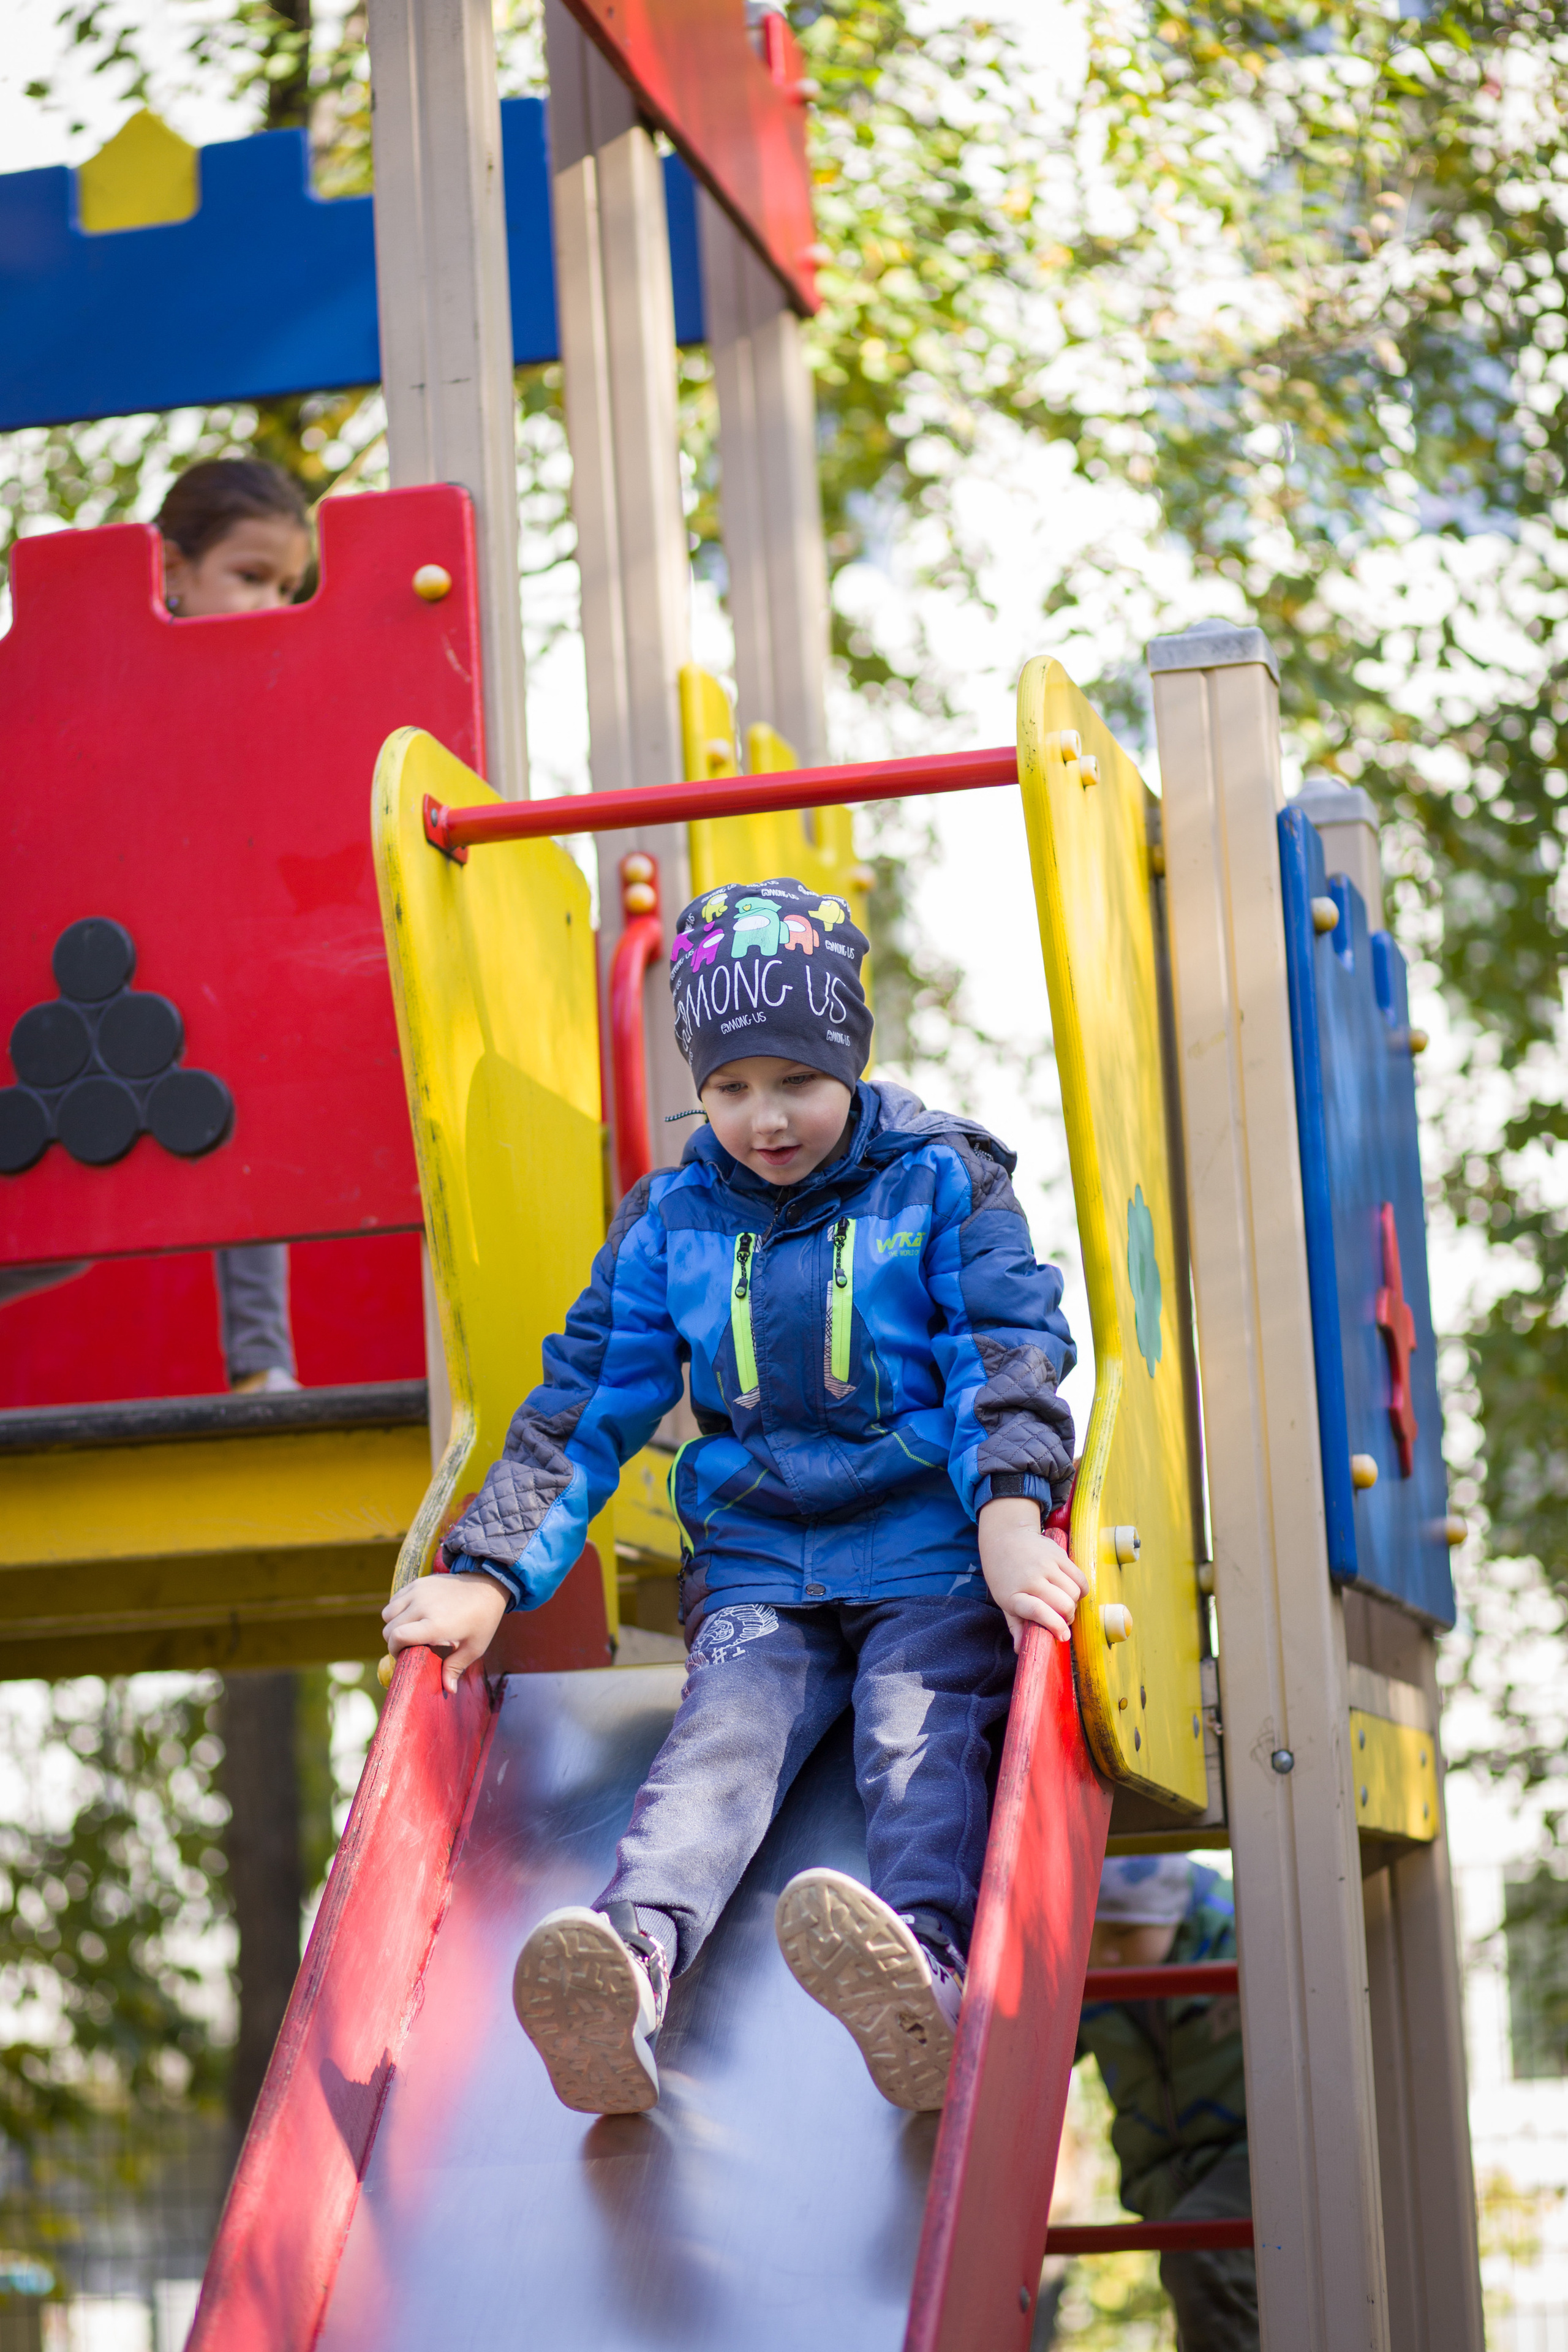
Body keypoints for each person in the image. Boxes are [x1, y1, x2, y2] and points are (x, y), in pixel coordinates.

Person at [383, 875, 1087, 2117]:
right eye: (727, 1087)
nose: (762, 1118)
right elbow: (587, 1400)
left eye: (794, 1082)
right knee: (717, 1746)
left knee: (918, 1737)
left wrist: (1008, 1510)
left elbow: (1003, 1346)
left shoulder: (937, 1181)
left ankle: (919, 1973)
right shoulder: (673, 1221)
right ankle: (629, 1972)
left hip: (927, 1544)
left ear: (851, 1063)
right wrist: (486, 1569)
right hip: (761, 1556)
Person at [1, 461, 314, 1386]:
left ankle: (263, 1366)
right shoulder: (108, 682)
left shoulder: (267, 694)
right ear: (171, 571)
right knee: (60, 1229)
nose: (272, 604)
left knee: (248, 1138)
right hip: (86, 966)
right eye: (250, 577)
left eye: (289, 589)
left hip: (197, 973)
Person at [1071, 1855, 1256, 2352]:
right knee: (1206, 2296)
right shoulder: (1084, 1962)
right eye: (1095, 1934)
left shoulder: (1243, 1930)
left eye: (1124, 1934)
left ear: (1172, 1916)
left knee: (1203, 2261)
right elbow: (1032, 2049)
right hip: (1164, 2174)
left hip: (1251, 2155)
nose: (1104, 1956)